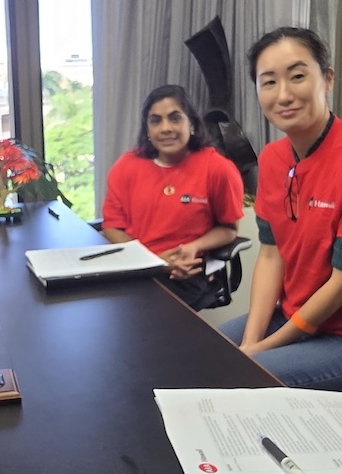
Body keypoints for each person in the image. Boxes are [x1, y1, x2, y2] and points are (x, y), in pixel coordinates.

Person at [217, 27, 342, 391]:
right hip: (295, 320)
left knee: (239, 377)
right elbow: (272, 258)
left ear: (328, 79)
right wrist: (250, 342)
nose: (284, 95)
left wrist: (260, 351)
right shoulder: (272, 159)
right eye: (268, 82)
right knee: (199, 354)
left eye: (298, 76)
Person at [102, 85, 244, 308]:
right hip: (136, 265)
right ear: (147, 130)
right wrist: (151, 260)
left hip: (185, 272)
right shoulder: (126, 166)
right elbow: (112, 227)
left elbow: (229, 229)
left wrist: (194, 247)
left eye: (175, 118)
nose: (166, 128)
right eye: (156, 121)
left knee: (143, 317)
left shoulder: (218, 169)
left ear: (192, 125)